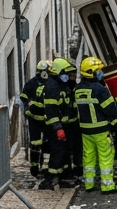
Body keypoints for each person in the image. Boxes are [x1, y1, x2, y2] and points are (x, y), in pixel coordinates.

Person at [75, 57, 117, 192]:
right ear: (93, 72)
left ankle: (89, 184)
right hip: (101, 129)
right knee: (105, 156)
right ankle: (107, 185)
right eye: (99, 70)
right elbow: (110, 109)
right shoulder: (100, 89)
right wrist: (114, 124)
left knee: (88, 157)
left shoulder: (78, 89)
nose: (101, 72)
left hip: (85, 130)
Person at [42, 58, 78, 188]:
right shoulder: (52, 87)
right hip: (55, 127)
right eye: (65, 73)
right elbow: (51, 111)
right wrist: (58, 128)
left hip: (64, 125)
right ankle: (50, 179)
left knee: (65, 151)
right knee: (57, 151)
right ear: (58, 72)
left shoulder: (62, 85)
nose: (68, 76)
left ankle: (65, 177)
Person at [20, 60, 51, 188]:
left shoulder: (49, 83)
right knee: (35, 144)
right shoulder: (31, 84)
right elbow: (23, 98)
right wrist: (28, 109)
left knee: (47, 143)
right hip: (35, 120)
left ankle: (45, 168)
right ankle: (34, 168)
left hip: (45, 119)